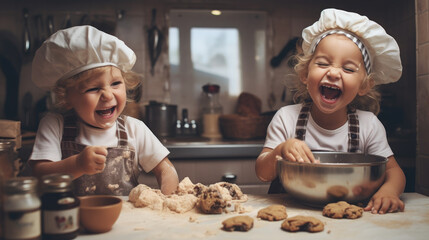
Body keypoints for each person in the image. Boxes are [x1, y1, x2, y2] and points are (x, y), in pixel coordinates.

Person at [255, 8, 406, 214]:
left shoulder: (368, 124)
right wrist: (280, 150)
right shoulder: (286, 118)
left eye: (349, 69)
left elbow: (394, 172)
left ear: (364, 85)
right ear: (305, 74)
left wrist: (390, 191)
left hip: (349, 217)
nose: (333, 72)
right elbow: (262, 172)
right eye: (323, 63)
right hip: (289, 211)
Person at [28, 25, 179, 196]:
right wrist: (77, 165)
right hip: (70, 219)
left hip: (129, 222)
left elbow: (166, 170)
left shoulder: (134, 129)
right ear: (67, 97)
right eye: (93, 88)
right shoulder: (55, 125)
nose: (107, 95)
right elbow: (40, 175)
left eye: (115, 83)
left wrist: (168, 200)